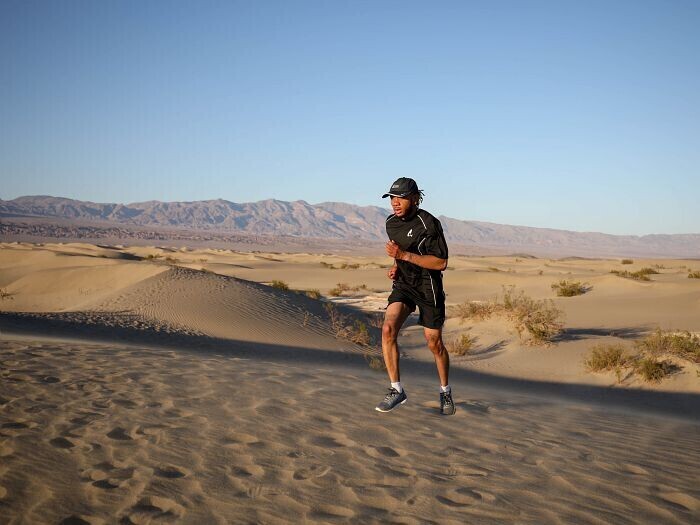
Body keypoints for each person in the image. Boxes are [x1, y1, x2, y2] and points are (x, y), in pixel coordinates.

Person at [375, 177, 455, 415]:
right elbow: (398, 252)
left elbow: (441, 262)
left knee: (434, 343)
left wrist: (404, 256)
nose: (395, 203)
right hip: (404, 285)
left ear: (414, 198)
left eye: (400, 198)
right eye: (392, 198)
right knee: (388, 329)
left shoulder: (429, 223)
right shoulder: (390, 223)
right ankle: (396, 389)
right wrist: (396, 265)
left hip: (428, 287)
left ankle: (445, 391)